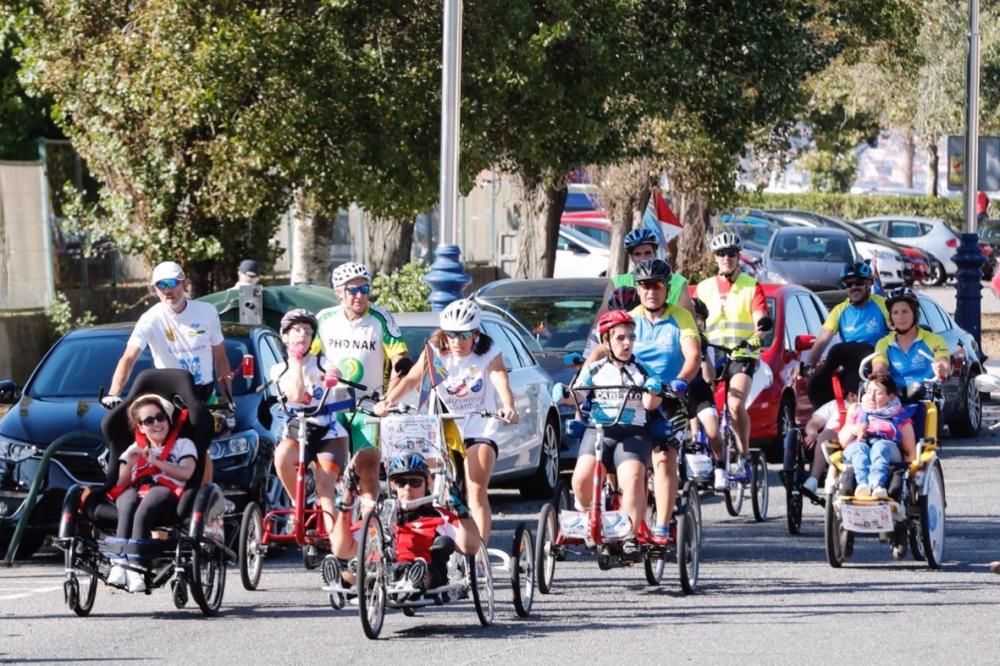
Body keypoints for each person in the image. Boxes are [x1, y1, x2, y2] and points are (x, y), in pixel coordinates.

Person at [375, 299, 518, 543]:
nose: (457, 342)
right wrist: (388, 401)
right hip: (446, 424)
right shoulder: (435, 349)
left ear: (475, 334)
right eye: (451, 335)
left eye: (464, 336)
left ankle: (477, 552)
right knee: (428, 479)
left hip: (479, 423)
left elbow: (499, 377)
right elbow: (411, 380)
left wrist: (508, 406)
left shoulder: (488, 350)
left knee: (475, 488)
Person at [589, 258, 700, 546]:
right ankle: (620, 511)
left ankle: (662, 525)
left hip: (668, 397)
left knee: (664, 458)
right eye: (645, 286)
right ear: (638, 289)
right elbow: (604, 347)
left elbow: (693, 356)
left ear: (666, 289)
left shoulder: (681, 317)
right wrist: (583, 373)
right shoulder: (629, 317)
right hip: (631, 396)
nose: (651, 291)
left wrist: (681, 381)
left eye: (657, 286)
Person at [562, 309, 662, 559]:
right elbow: (577, 395)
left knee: (633, 478)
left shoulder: (641, 369)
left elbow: (650, 406)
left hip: (632, 434)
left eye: (630, 337)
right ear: (606, 341)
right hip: (599, 432)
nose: (627, 343)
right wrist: (564, 394)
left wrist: (654, 390)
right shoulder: (594, 370)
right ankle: (587, 517)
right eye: (620, 338)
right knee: (580, 480)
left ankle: (628, 534)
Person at [316, 262, 411, 509]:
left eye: (364, 289)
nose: (359, 295)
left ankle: (371, 527)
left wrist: (389, 398)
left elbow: (399, 359)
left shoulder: (380, 318)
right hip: (332, 403)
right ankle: (333, 521)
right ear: (339, 291)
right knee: (328, 467)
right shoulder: (324, 319)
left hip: (369, 405)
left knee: (367, 465)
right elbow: (309, 359)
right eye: (352, 290)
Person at [269, 309, 352, 558]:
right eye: (296, 330)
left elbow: (334, 374)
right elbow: (295, 396)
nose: (302, 335)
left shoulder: (321, 362)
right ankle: (299, 504)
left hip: (328, 432)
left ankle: (341, 553)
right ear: (284, 337)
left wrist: (332, 376)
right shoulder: (279, 369)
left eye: (307, 331)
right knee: (282, 457)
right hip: (298, 430)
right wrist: (295, 362)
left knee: (325, 487)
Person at [103, 261, 233, 409]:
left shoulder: (207, 312)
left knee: (218, 429)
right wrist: (114, 394)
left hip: (205, 396)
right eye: (161, 285)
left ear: (184, 284)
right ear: (155, 290)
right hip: (169, 399)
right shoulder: (150, 319)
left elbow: (221, 358)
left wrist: (229, 399)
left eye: (172, 283)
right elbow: (128, 358)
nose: (167, 291)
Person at [106, 394, 198, 593]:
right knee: (127, 500)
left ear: (168, 419)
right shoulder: (134, 449)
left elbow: (186, 472)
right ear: (140, 427)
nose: (157, 423)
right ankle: (119, 563)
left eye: (160, 417)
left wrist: (156, 462)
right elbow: (120, 483)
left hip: (167, 492)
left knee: (149, 502)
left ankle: (136, 566)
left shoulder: (183, 444)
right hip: (136, 490)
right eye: (149, 420)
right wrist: (131, 461)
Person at [696, 231, 770, 473]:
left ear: (738, 257)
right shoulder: (704, 287)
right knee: (697, 399)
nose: (726, 258)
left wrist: (756, 337)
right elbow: (693, 321)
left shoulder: (751, 286)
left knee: (735, 404)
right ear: (715, 257)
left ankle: (744, 453)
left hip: (742, 353)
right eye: (721, 254)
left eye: (731, 254)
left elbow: (761, 321)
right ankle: (701, 450)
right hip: (711, 353)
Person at [381, 453, 481, 598]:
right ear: (393, 485)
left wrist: (462, 512)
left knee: (437, 552)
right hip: (387, 569)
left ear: (427, 483)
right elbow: (352, 547)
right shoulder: (382, 515)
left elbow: (470, 547)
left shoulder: (440, 514)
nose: (408, 488)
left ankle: (409, 583)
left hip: (427, 570)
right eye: (402, 483)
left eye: (415, 482)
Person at [838, 371, 916, 498]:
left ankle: (876, 485)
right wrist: (854, 430)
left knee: (880, 447)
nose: (871, 397)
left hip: (887, 447)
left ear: (890, 396)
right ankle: (862, 485)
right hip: (859, 444)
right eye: (869, 392)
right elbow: (842, 442)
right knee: (859, 448)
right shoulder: (857, 409)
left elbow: (910, 451)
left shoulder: (899, 414)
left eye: (878, 393)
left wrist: (910, 475)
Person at [805, 262, 890, 369]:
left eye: (858, 282)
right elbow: (822, 340)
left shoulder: (884, 304)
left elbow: (899, 333)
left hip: (879, 363)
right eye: (849, 284)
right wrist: (808, 365)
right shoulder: (838, 311)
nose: (854, 287)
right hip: (851, 365)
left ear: (869, 283)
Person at [871, 287, 951, 391]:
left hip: (927, 397)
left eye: (905, 311)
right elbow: (879, 364)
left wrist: (941, 369)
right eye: (895, 313)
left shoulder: (934, 340)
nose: (900, 317)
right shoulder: (883, 343)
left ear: (915, 314)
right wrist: (879, 372)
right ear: (891, 317)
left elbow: (944, 363)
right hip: (895, 398)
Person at [609, 228, 694, 313]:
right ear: (631, 257)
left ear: (655, 253)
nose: (643, 259)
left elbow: (687, 320)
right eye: (637, 254)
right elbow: (601, 321)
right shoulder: (618, 282)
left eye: (647, 253)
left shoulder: (678, 282)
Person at [689, 297, 725, 491]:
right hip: (680, 393)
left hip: (701, 392)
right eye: (692, 318)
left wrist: (702, 356)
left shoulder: (704, 342)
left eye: (699, 319)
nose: (696, 322)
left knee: (712, 431)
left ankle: (720, 467)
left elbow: (709, 377)